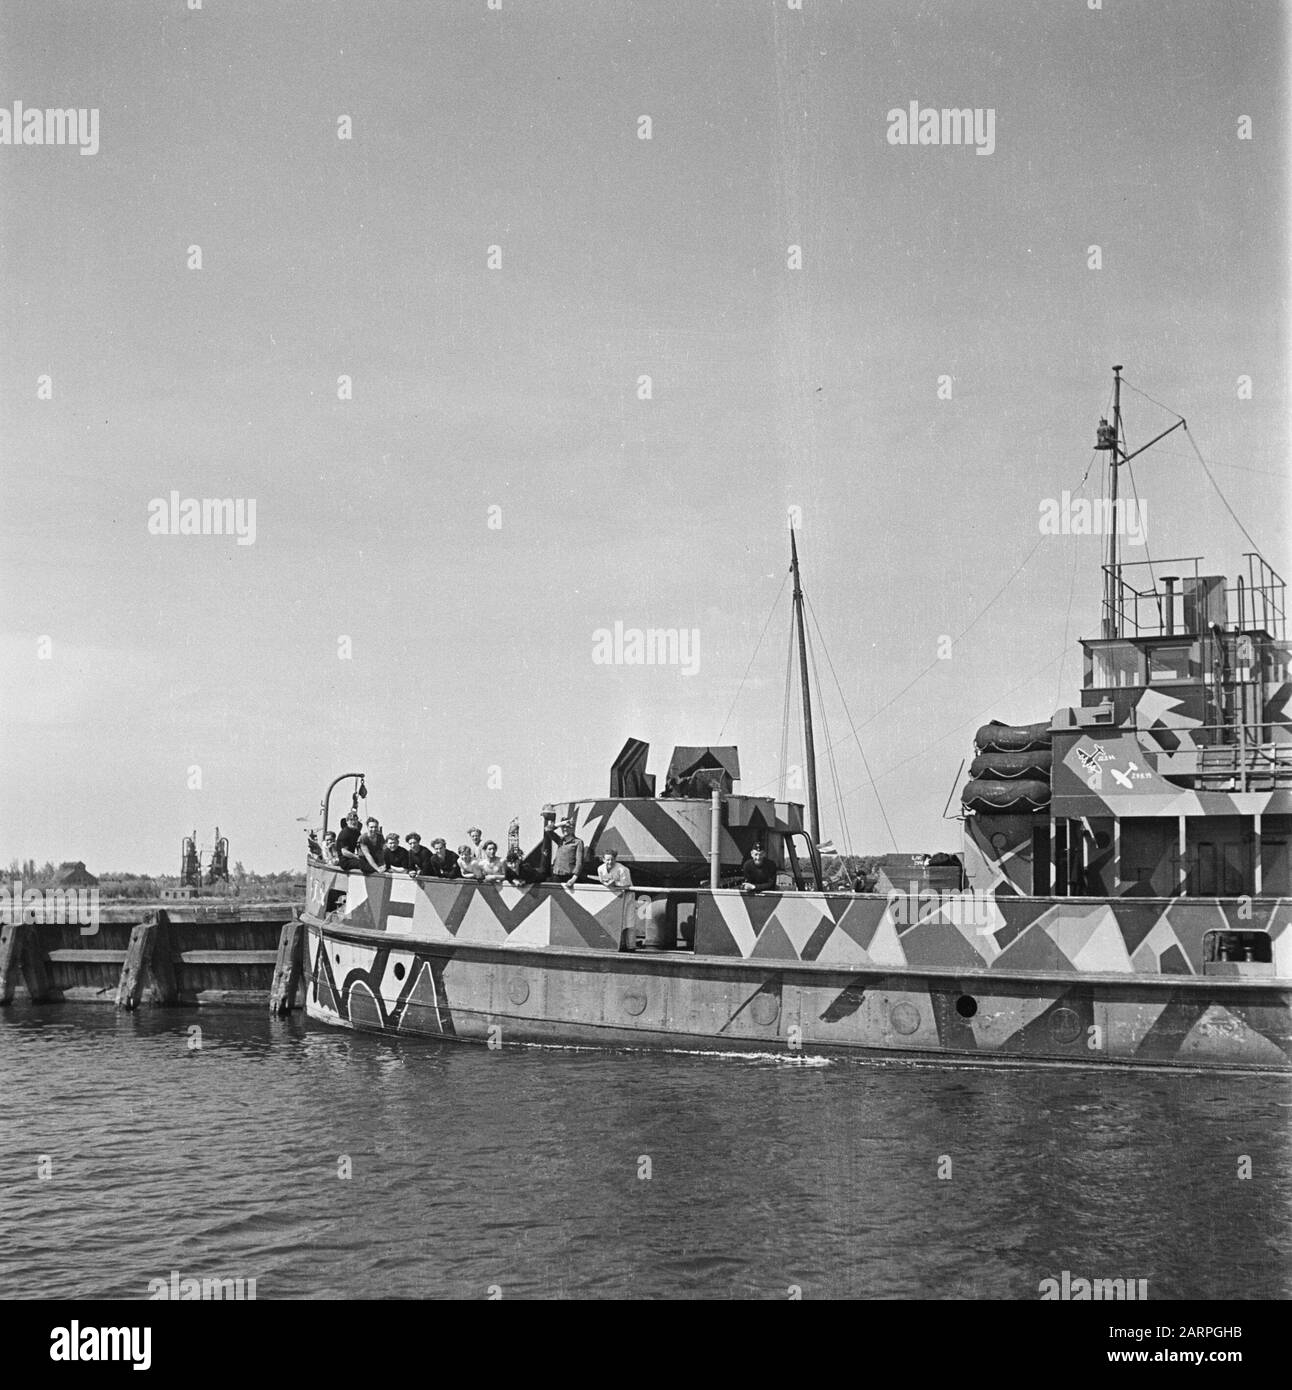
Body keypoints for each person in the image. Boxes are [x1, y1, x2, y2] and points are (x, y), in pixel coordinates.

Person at [549, 819, 585, 886]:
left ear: (572, 828)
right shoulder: (560, 840)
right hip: (556, 876)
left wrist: (573, 879)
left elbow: (579, 862)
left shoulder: (578, 842)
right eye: (563, 827)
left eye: (567, 827)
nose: (565, 829)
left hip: (568, 877)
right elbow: (548, 829)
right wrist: (562, 823)